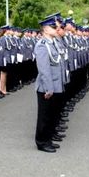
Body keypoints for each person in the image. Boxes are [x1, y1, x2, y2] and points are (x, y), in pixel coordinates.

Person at [34, 14, 65, 153]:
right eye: (53, 27)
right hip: (47, 87)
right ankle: (41, 142)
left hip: (56, 85)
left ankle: (48, 139)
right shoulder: (41, 45)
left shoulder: (53, 43)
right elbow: (44, 69)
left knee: (52, 114)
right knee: (44, 116)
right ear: (45, 29)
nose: (56, 29)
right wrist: (48, 88)